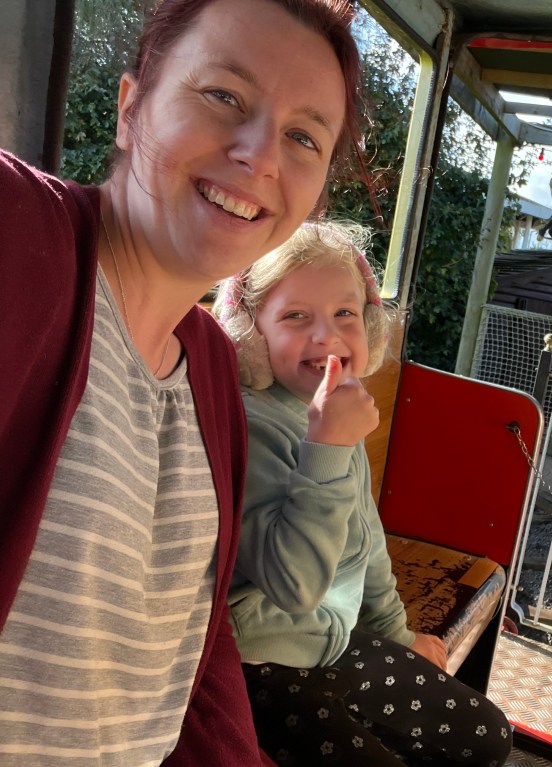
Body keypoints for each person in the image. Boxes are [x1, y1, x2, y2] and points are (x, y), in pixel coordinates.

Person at [0, 0, 365, 764]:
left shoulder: (212, 369)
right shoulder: (19, 231)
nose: (260, 156)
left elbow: (195, 644)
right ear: (130, 107)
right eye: (223, 95)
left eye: (304, 137)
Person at [213, 221, 513, 766]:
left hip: (335, 638)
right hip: (258, 661)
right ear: (252, 336)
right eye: (295, 316)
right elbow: (294, 587)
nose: (326, 336)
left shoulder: (338, 412)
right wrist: (327, 444)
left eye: (344, 314)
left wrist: (398, 634)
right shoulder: (254, 426)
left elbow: (367, 540)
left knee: (487, 737)